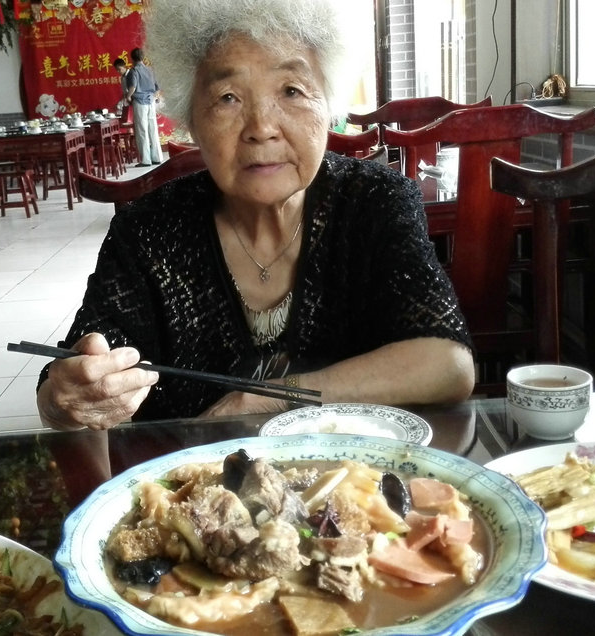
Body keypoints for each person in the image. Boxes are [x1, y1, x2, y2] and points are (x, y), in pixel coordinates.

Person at [36, 0, 475, 432]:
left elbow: (448, 364)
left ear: (329, 104)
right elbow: (70, 377)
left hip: (351, 474)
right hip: (191, 478)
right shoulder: (148, 230)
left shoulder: (376, 200)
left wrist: (271, 396)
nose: (261, 127)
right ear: (191, 120)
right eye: (227, 97)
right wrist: (67, 398)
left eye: (291, 91)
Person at [127, 47, 164, 166]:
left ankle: (146, 160)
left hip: (140, 102)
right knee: (153, 129)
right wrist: (154, 96)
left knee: (142, 130)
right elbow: (157, 88)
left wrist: (128, 97)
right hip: (151, 101)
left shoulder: (134, 71)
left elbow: (133, 87)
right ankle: (157, 157)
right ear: (143, 58)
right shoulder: (150, 70)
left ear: (132, 59)